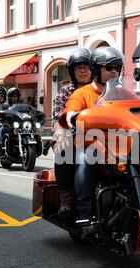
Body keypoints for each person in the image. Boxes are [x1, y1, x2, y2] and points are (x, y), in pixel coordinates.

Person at [60, 46, 124, 231]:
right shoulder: (82, 93)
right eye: (109, 67)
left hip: (119, 144)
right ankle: (85, 213)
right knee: (85, 159)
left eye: (117, 68)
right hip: (90, 144)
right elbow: (69, 111)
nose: (114, 72)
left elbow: (139, 110)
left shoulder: (123, 94)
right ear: (97, 69)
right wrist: (73, 117)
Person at [52, 47, 92, 217]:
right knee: (64, 151)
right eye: (78, 68)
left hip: (102, 136)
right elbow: (57, 118)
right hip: (73, 135)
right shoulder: (66, 91)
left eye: (86, 67)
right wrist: (60, 134)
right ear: (72, 71)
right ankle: (66, 198)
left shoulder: (103, 89)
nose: (82, 71)